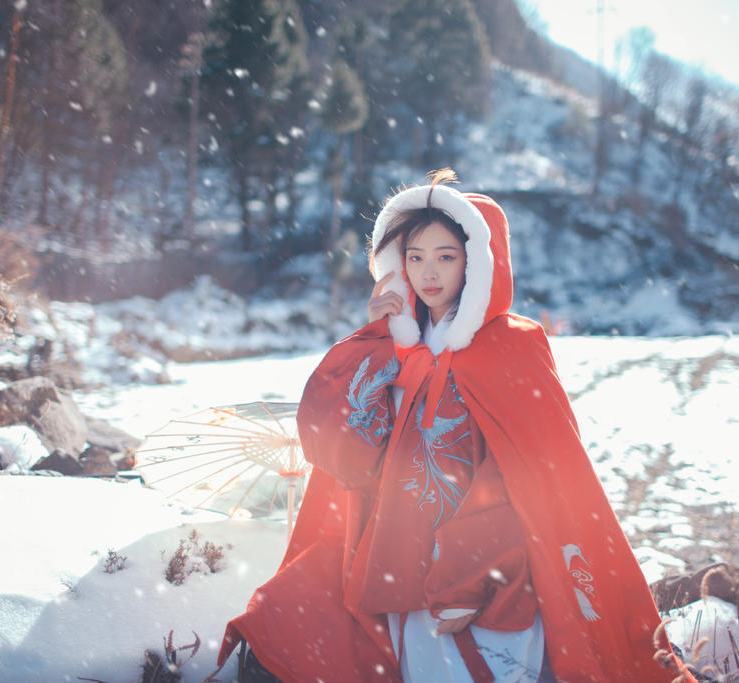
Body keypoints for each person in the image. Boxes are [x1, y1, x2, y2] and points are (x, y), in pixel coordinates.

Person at [216, 170, 694, 682]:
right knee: (290, 624)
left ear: (478, 262)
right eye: (415, 257)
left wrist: (470, 576)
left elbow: (525, 480)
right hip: (393, 552)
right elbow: (340, 451)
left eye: (446, 256)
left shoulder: (512, 347)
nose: (429, 273)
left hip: (482, 565)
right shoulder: (396, 344)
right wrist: (377, 341)